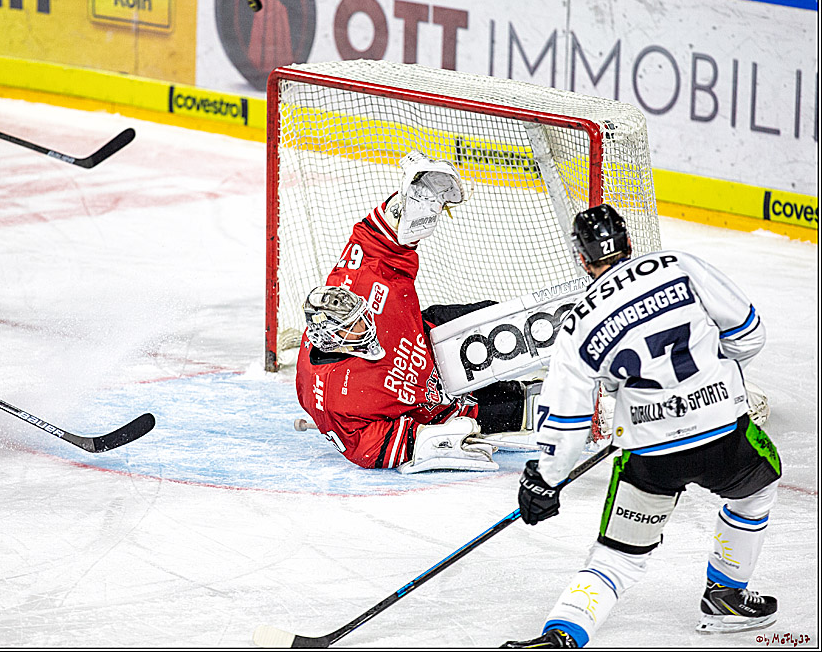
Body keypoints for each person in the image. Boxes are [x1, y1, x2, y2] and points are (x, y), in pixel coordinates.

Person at [504, 204, 779, 648]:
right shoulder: (680, 266)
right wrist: (716, 377)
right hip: (724, 435)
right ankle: (726, 595)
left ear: (582, 257)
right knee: (755, 491)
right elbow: (749, 333)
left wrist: (546, 479)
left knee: (616, 557)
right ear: (629, 240)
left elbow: (568, 419)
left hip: (651, 456)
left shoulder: (577, 324)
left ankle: (562, 636)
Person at [295, 151, 536, 473]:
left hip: (432, 339)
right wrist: (432, 440)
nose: (366, 323)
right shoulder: (331, 397)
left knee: (514, 325)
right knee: (520, 407)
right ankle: (575, 404)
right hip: (435, 406)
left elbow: (371, 242)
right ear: (333, 338)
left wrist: (410, 207)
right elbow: (366, 447)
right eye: (354, 326)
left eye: (362, 315)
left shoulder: (356, 287)